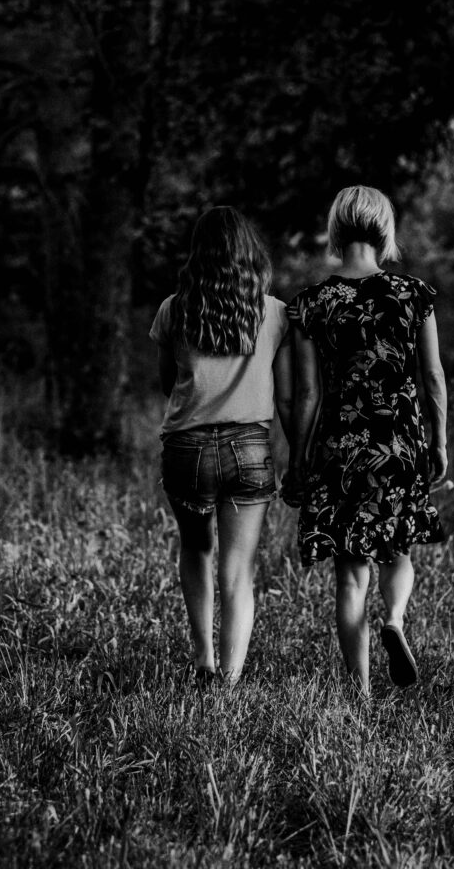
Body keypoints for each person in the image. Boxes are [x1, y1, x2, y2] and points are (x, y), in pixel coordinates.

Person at [285, 185, 447, 694]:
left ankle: (361, 693)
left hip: (341, 447)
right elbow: (433, 376)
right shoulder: (412, 295)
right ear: (383, 230)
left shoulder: (313, 303)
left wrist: (298, 457)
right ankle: (394, 620)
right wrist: (439, 443)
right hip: (399, 443)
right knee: (399, 552)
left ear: (336, 231)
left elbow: (307, 392)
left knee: (351, 574)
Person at [150, 207, 292, 686]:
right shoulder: (274, 312)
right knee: (238, 571)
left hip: (186, 447)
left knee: (196, 549)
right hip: (249, 448)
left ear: (199, 253)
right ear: (249, 252)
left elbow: (167, 382)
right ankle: (229, 683)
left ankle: (203, 659)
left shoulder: (174, 309)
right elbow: (287, 387)